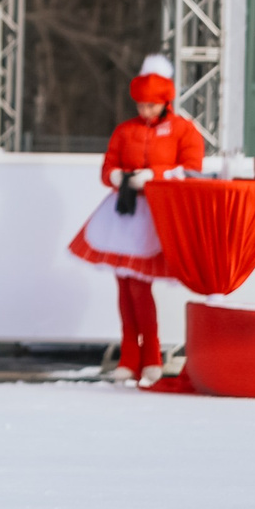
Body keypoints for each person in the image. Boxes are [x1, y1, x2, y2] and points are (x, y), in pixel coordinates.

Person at [68, 54, 204, 384]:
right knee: (124, 285)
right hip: (124, 212)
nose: (144, 112)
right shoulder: (126, 131)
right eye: (141, 106)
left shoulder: (183, 130)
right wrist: (117, 176)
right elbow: (107, 166)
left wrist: (153, 175)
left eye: (151, 106)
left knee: (140, 288)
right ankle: (130, 354)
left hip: (154, 214)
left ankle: (151, 355)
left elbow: (191, 168)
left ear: (165, 103)